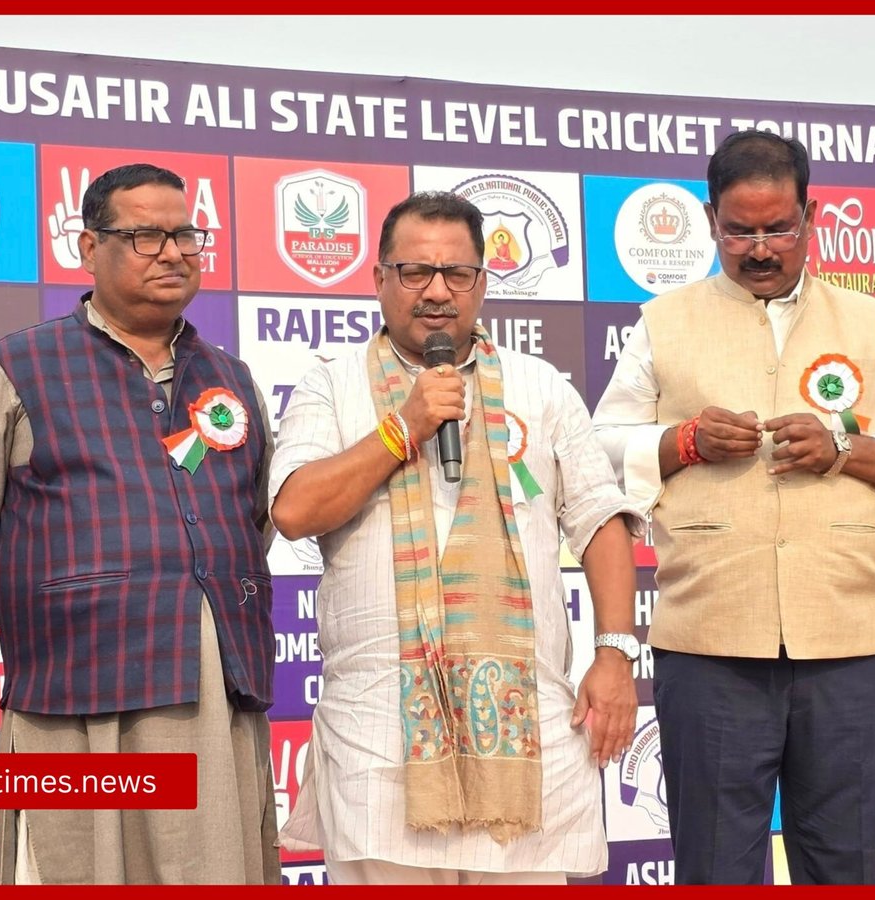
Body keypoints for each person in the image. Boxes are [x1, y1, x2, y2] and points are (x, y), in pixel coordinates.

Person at [592, 130, 875, 885]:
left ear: (811, 216)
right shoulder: (663, 322)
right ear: (709, 221)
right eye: (739, 232)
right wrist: (684, 441)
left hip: (852, 644)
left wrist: (845, 448)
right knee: (715, 870)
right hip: (711, 645)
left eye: (778, 229)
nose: (760, 250)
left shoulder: (869, 321)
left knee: (844, 869)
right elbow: (596, 450)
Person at [0, 163, 279, 885]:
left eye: (185, 235)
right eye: (146, 236)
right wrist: (44, 606)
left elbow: (252, 517)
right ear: (88, 247)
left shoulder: (231, 377)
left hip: (215, 687)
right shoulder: (18, 368)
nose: (172, 253)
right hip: (74, 694)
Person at [269, 191, 643, 885]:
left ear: (482, 282)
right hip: (380, 734)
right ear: (380, 279)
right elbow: (294, 509)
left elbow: (600, 521)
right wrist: (402, 428)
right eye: (415, 272)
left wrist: (616, 653)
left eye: (457, 274)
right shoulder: (333, 386)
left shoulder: (540, 387)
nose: (437, 292)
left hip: (525, 734)